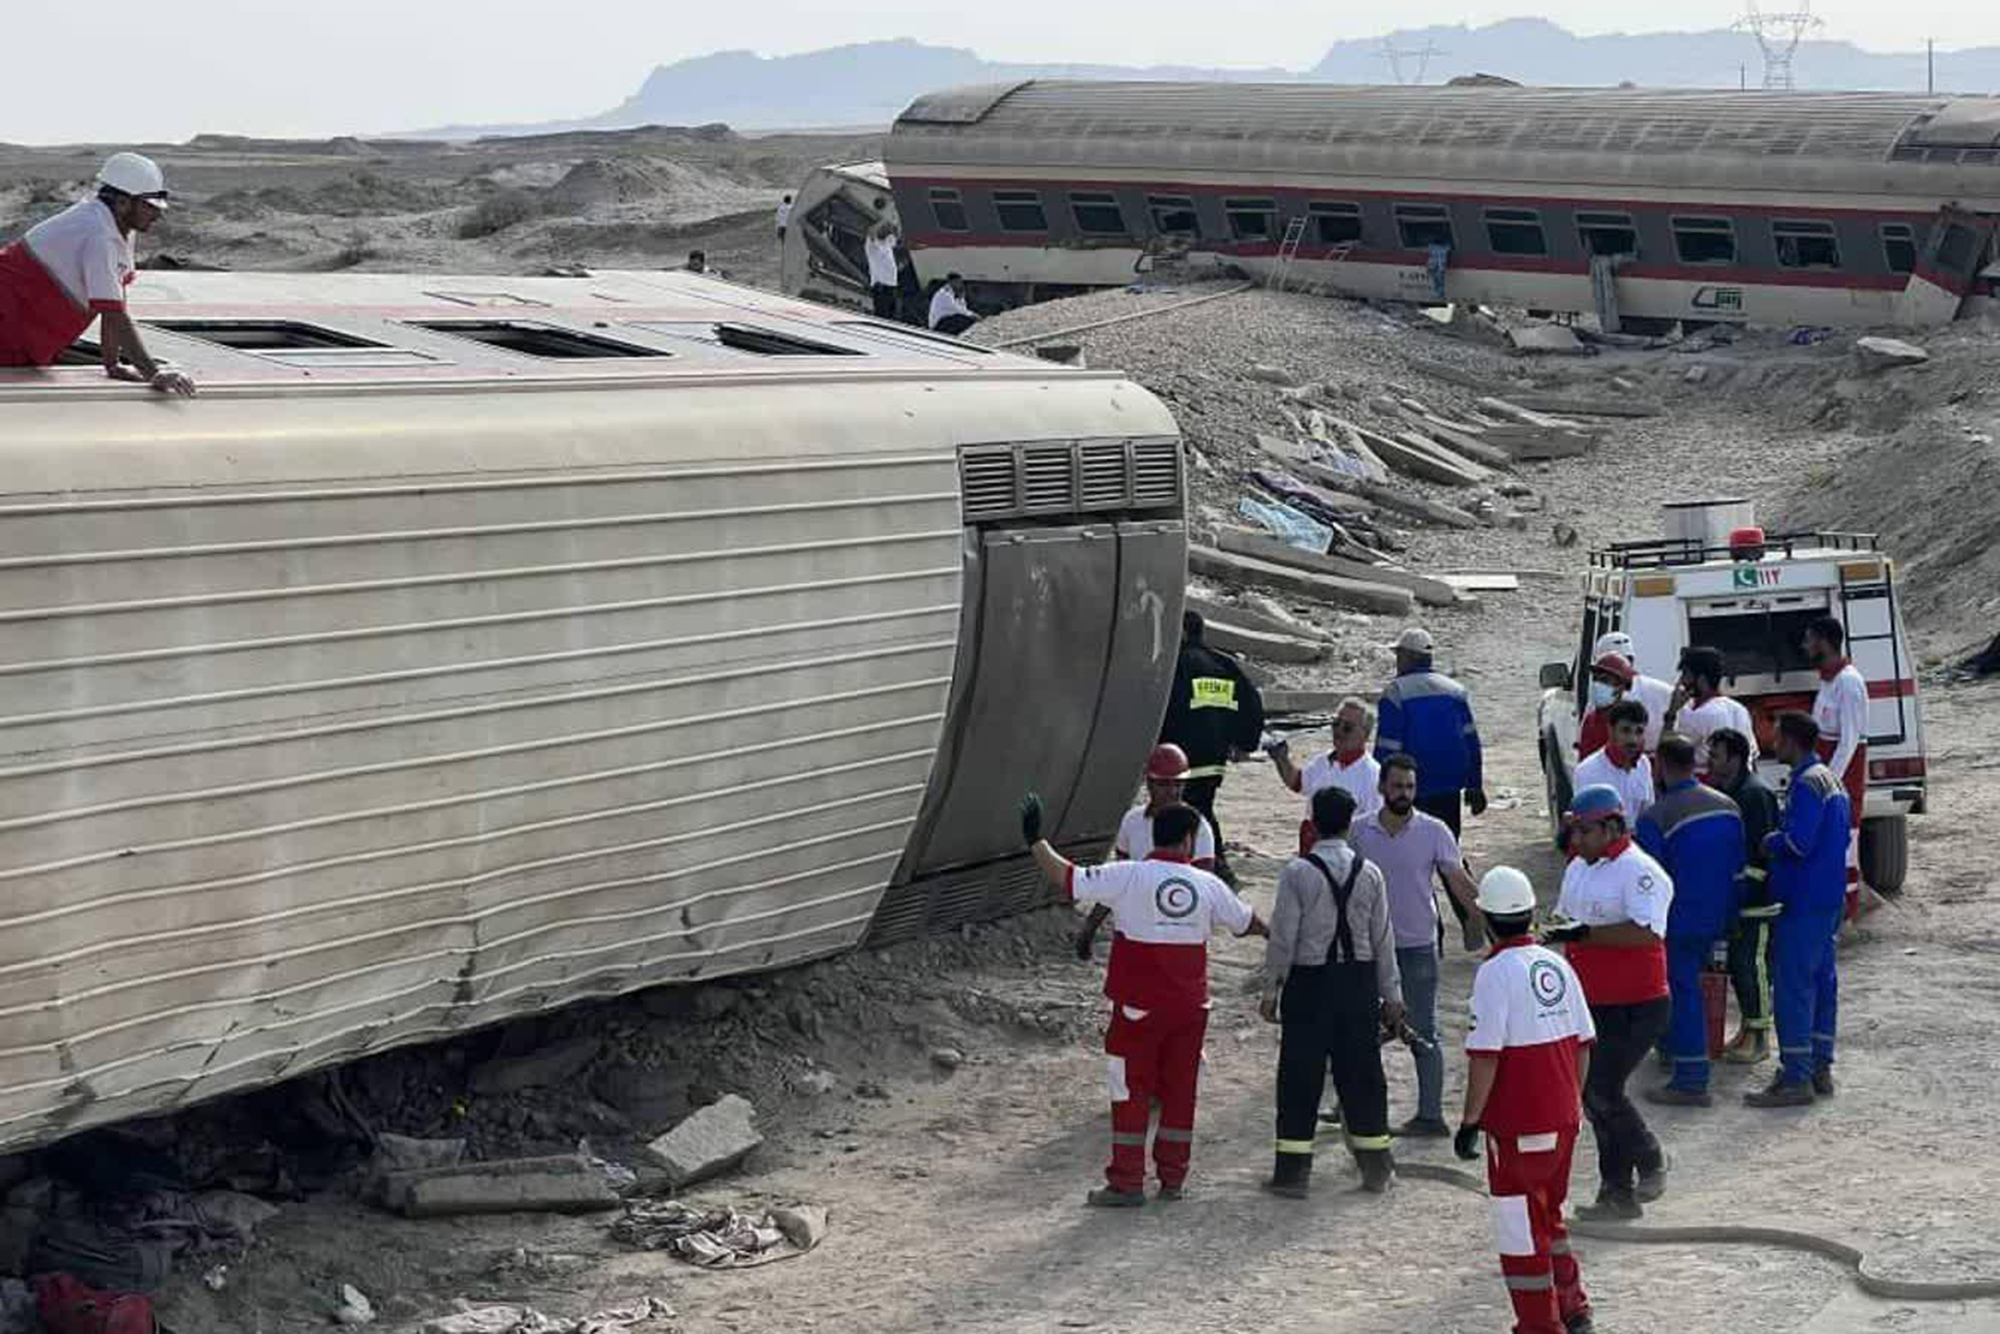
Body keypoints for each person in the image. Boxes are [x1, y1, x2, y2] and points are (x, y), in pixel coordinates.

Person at [1021, 794, 1266, 1204]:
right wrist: (1282, 936)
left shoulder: (1128, 875)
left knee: (1130, 1090)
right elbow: (1247, 923)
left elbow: (1068, 878)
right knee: (1180, 1092)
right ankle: (1173, 1179)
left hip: (1138, 1008)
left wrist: (1035, 842)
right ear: (1188, 840)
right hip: (1191, 1010)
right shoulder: (1209, 885)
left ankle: (1127, 1181)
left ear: (1154, 834)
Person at [1456, 866, 1598, 1334]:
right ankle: (1573, 1308)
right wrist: (1571, 1104)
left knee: (1520, 1230)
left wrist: (1470, 1121)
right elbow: (1582, 1044)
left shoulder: (1495, 974)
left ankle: (1540, 1324)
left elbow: (1486, 1057)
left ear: (1490, 920)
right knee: (1549, 1216)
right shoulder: (1559, 965)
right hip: (1562, 1120)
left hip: (1519, 1124)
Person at [1261, 787, 1403, 1197]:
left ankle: (1292, 1175)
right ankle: (1377, 1169)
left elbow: (1283, 938)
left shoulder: (1298, 873)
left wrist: (1272, 988)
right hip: (1358, 986)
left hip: (1310, 985)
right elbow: (1383, 940)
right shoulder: (1370, 872)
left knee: (1299, 1078)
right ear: (1348, 823)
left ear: (1313, 824)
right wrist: (1392, 997)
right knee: (1362, 1078)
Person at [1546, 784, 1674, 1219]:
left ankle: (1650, 1157)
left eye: (1583, 831)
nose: (1576, 840)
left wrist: (1584, 935)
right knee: (1595, 1095)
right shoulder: (1579, 867)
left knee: (1602, 1089)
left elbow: (1646, 933)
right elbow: (1564, 920)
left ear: (1611, 826)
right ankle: (1616, 1192)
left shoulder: (1641, 872)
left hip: (1638, 1004)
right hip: (1591, 1003)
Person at [1352, 753, 1484, 1137]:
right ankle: (1354, 1109)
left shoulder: (1435, 831)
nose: (1404, 794)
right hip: (1369, 949)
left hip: (1417, 947)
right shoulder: (1359, 833)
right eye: (1397, 786)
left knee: (1423, 1031)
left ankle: (1430, 1116)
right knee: (1361, 1033)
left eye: (1410, 787)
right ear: (1381, 788)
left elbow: (1459, 881)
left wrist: (1494, 923)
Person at [0, 153, 195, 394]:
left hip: (23, 332)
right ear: (123, 202)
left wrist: (113, 365)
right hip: (9, 326)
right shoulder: (98, 233)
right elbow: (113, 313)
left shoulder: (117, 226)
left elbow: (115, 299)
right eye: (149, 206)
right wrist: (153, 372)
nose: (157, 214)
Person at [1635, 734, 1744, 1107]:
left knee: (1682, 994)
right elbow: (1737, 868)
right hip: (1720, 915)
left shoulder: (1656, 817)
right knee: (1695, 991)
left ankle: (1692, 1079)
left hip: (1678, 920)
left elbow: (1648, 879)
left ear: (1661, 767)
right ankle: (1675, 1051)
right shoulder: (1728, 806)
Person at [1746, 713, 1849, 1107]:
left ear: (1791, 740)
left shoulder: (1807, 784)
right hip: (1827, 897)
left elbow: (1800, 844)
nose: (1773, 742)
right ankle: (1819, 1066)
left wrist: (1771, 840)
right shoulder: (1829, 779)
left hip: (1804, 901)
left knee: (1792, 988)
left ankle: (1795, 1077)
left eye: (1776, 736)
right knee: (1823, 983)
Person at [1375, 627, 1486, 945]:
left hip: (1409, 793)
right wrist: (1475, 785)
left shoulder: (1396, 693)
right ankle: (1473, 919)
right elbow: (1471, 741)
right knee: (1449, 854)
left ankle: (1430, 934)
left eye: (1399, 655)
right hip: (1449, 790)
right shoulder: (1455, 690)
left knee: (1414, 863)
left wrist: (1381, 787)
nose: (1397, 661)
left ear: (1409, 657)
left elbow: (1387, 747)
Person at [1073, 743, 1218, 960]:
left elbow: (1204, 890)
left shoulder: (1198, 827)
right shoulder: (1133, 821)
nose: (1173, 791)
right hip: (1137, 929)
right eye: (1164, 784)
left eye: (1178, 784)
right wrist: (1090, 928)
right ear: (1148, 783)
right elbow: (1118, 880)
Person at [1160, 611, 1264, 886]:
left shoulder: (1177, 664)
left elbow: (1165, 708)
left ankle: (1215, 868)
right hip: (1215, 757)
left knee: (1192, 810)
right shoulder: (1224, 664)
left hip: (1183, 756)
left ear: (1182, 632)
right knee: (1201, 804)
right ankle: (1207, 867)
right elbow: (1252, 704)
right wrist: (1244, 743)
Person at [1709, 727, 1782, 1065]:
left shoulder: (1754, 795)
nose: (1710, 761)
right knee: (1739, 967)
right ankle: (1747, 1031)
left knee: (1753, 967)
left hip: (1756, 900)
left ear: (1735, 758)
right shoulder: (1731, 791)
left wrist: (1744, 890)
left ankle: (1760, 1038)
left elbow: (1762, 853)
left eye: (1716, 755)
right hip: (1737, 898)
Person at [1805, 615, 1869, 914]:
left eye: (1809, 640)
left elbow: (1849, 741)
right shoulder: (1828, 681)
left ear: (1825, 642)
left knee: (1845, 848)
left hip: (1842, 784)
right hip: (1830, 780)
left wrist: (1828, 782)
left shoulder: (1849, 682)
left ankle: (1848, 913)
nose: (1805, 646)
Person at [1266, 695, 1382, 855]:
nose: (1339, 731)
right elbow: (1298, 782)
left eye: (1347, 727)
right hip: (1312, 851)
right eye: (1336, 724)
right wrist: (1281, 759)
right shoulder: (1324, 760)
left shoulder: (1372, 775)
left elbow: (1374, 830)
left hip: (1345, 857)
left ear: (1365, 735)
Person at [1663, 646, 1756, 777]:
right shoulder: (1740, 710)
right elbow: (1753, 758)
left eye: (1685, 675)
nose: (1682, 681)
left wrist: (1672, 712)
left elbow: (1668, 753)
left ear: (1701, 680)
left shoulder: (1700, 715)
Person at [1578, 632, 1671, 756]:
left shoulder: (1597, 710)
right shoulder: (1662, 690)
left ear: (1621, 685)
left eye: (1605, 679)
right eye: (1596, 678)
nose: (1598, 684)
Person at [1571, 699, 1654, 831]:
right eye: (1626, 731)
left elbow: (1648, 814)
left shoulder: (1644, 764)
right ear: (1611, 730)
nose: (1633, 740)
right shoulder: (1587, 771)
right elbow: (1585, 828)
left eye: (1639, 732)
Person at [864, 223, 901, 320]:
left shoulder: (887, 245)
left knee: (892, 318)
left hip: (891, 288)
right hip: (881, 288)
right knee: (882, 317)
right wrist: (882, 225)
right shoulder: (873, 246)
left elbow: (895, 239)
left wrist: (893, 227)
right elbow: (870, 232)